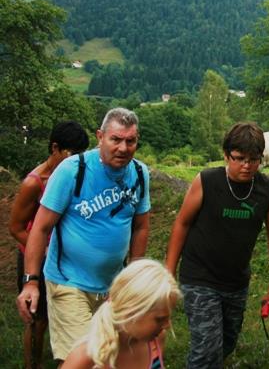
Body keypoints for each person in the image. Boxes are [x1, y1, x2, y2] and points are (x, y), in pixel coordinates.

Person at [16, 108, 151, 366]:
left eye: (130, 141)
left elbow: (141, 227)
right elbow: (41, 227)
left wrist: (132, 278)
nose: (123, 148)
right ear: (100, 137)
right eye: (116, 139)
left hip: (112, 287)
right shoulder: (72, 171)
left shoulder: (140, 174)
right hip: (69, 282)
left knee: (110, 358)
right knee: (81, 359)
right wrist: (31, 282)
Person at [165, 121, 269, 368]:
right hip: (199, 276)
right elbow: (182, 224)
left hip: (236, 281)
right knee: (207, 350)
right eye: (239, 158)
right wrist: (167, 271)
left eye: (253, 160)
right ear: (225, 155)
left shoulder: (268, 189)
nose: (246, 166)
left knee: (226, 343)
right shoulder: (207, 181)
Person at [9, 120, 90, 369]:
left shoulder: (77, 175)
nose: (76, 159)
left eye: (80, 154)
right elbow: (17, 228)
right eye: (70, 153)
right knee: (37, 320)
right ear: (54, 148)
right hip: (37, 258)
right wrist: (43, 252)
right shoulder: (34, 183)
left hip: (66, 259)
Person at [62, 259, 181, 369]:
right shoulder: (87, 357)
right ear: (131, 312)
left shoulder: (155, 341)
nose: (167, 325)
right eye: (160, 319)